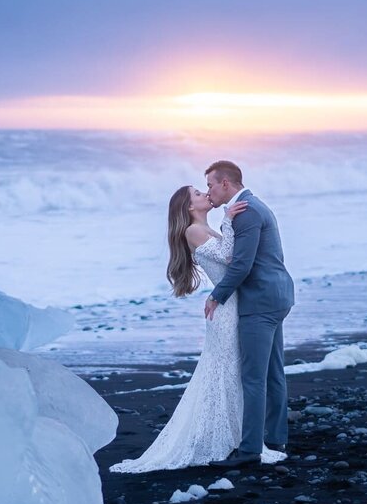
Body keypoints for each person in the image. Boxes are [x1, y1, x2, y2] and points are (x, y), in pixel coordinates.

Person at [109, 184, 286, 472]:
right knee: (225, 372)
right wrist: (229, 221)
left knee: (235, 373)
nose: (205, 194)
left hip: (236, 303)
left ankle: (236, 437)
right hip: (226, 310)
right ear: (190, 207)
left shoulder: (206, 227)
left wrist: (227, 223)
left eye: (204, 190)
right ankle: (219, 439)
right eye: (198, 194)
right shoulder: (193, 230)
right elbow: (230, 259)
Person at [203, 160, 295, 468]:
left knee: (253, 377)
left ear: (226, 184)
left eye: (211, 185)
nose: (209, 192)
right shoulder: (249, 207)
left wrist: (217, 295)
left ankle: (250, 450)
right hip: (277, 295)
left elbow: (241, 264)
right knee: (272, 371)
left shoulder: (248, 211)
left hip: (262, 300)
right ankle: (275, 437)